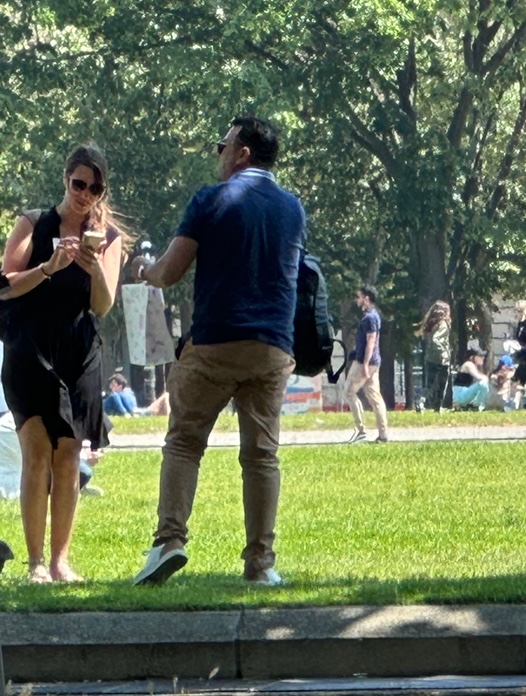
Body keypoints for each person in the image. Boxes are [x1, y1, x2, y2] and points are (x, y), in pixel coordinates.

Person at [133, 115, 305, 587]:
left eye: (222, 145)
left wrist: (144, 268)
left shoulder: (211, 200)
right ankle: (260, 564)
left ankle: (169, 541)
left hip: (215, 342)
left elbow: (169, 272)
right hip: (272, 346)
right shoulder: (292, 208)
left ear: (242, 152)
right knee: (261, 456)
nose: (219, 153)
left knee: (185, 443)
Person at [1, 144, 126, 583]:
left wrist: (93, 269)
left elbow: (104, 305)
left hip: (79, 352)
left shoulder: (107, 237)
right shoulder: (33, 224)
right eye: (79, 184)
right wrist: (49, 267)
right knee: (37, 452)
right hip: (29, 346)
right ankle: (35, 563)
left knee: (69, 455)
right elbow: (5, 286)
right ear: (65, 179)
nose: (85, 194)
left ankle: (60, 561)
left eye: (95, 188)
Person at [345, 286, 388, 444]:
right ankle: (383, 435)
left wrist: (364, 363)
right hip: (373, 362)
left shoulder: (369, 318)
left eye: (359, 297)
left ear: (367, 298)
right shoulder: (372, 316)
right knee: (375, 397)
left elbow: (371, 341)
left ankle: (361, 430)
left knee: (349, 391)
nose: (357, 300)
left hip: (366, 362)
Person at [415, 301, 452, 412]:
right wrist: (444, 352)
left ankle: (421, 401)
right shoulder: (443, 324)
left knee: (429, 385)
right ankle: (438, 407)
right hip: (442, 359)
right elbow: (436, 340)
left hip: (430, 357)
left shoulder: (430, 324)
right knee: (442, 384)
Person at [453, 346, 490, 410]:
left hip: (464, 392)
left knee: (484, 384)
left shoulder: (476, 366)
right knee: (483, 383)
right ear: (472, 357)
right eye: (480, 356)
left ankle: (474, 405)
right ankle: (477, 406)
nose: (483, 358)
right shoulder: (468, 364)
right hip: (459, 393)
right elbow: (479, 377)